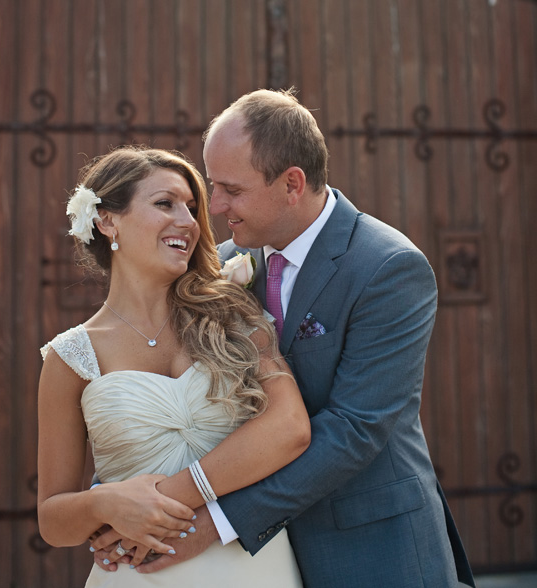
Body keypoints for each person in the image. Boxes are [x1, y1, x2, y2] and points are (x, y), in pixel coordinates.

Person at [103, 88, 475, 588]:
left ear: (292, 184)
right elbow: (165, 381)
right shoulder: (224, 264)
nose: (215, 208)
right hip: (256, 568)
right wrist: (122, 491)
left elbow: (354, 429)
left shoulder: (388, 268)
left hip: (370, 553)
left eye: (232, 190)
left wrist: (214, 521)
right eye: (213, 187)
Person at [37, 145, 310, 587]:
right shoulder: (71, 357)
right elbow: (52, 519)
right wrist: (106, 505)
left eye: (192, 207)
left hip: (255, 566)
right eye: (165, 203)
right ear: (108, 220)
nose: (188, 221)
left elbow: (291, 427)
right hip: (137, 575)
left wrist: (169, 494)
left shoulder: (234, 316)